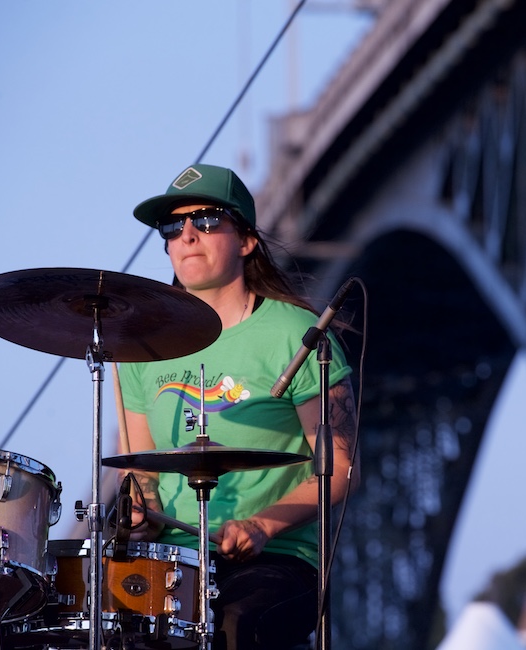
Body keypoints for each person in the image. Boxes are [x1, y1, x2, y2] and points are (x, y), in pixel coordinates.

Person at [116, 163, 360, 650]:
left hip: (278, 560)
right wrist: (140, 507)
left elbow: (341, 468)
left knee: (231, 626)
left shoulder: (298, 336)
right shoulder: (139, 348)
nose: (186, 235)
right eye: (172, 227)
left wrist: (263, 524)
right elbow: (140, 470)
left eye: (205, 220)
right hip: (176, 561)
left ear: (246, 241)